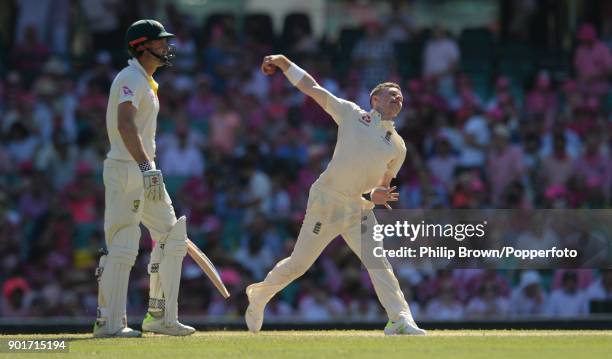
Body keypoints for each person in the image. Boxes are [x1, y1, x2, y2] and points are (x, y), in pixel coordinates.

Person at [245, 54, 426, 336]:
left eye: (401, 96)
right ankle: (258, 296)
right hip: (327, 200)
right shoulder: (352, 114)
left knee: (379, 262)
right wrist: (283, 63)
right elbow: (312, 87)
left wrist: (375, 196)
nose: (397, 99)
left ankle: (399, 319)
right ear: (374, 99)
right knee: (298, 265)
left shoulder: (398, 147)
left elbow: (382, 187)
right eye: (391, 94)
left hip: (358, 208)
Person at [94, 19, 195, 338]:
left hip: (144, 169)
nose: (167, 47)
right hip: (129, 168)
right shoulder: (130, 78)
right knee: (123, 243)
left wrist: (148, 168)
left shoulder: (146, 81)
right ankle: (108, 323)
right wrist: (144, 166)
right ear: (141, 46)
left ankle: (159, 317)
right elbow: (125, 124)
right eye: (160, 42)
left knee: (171, 235)